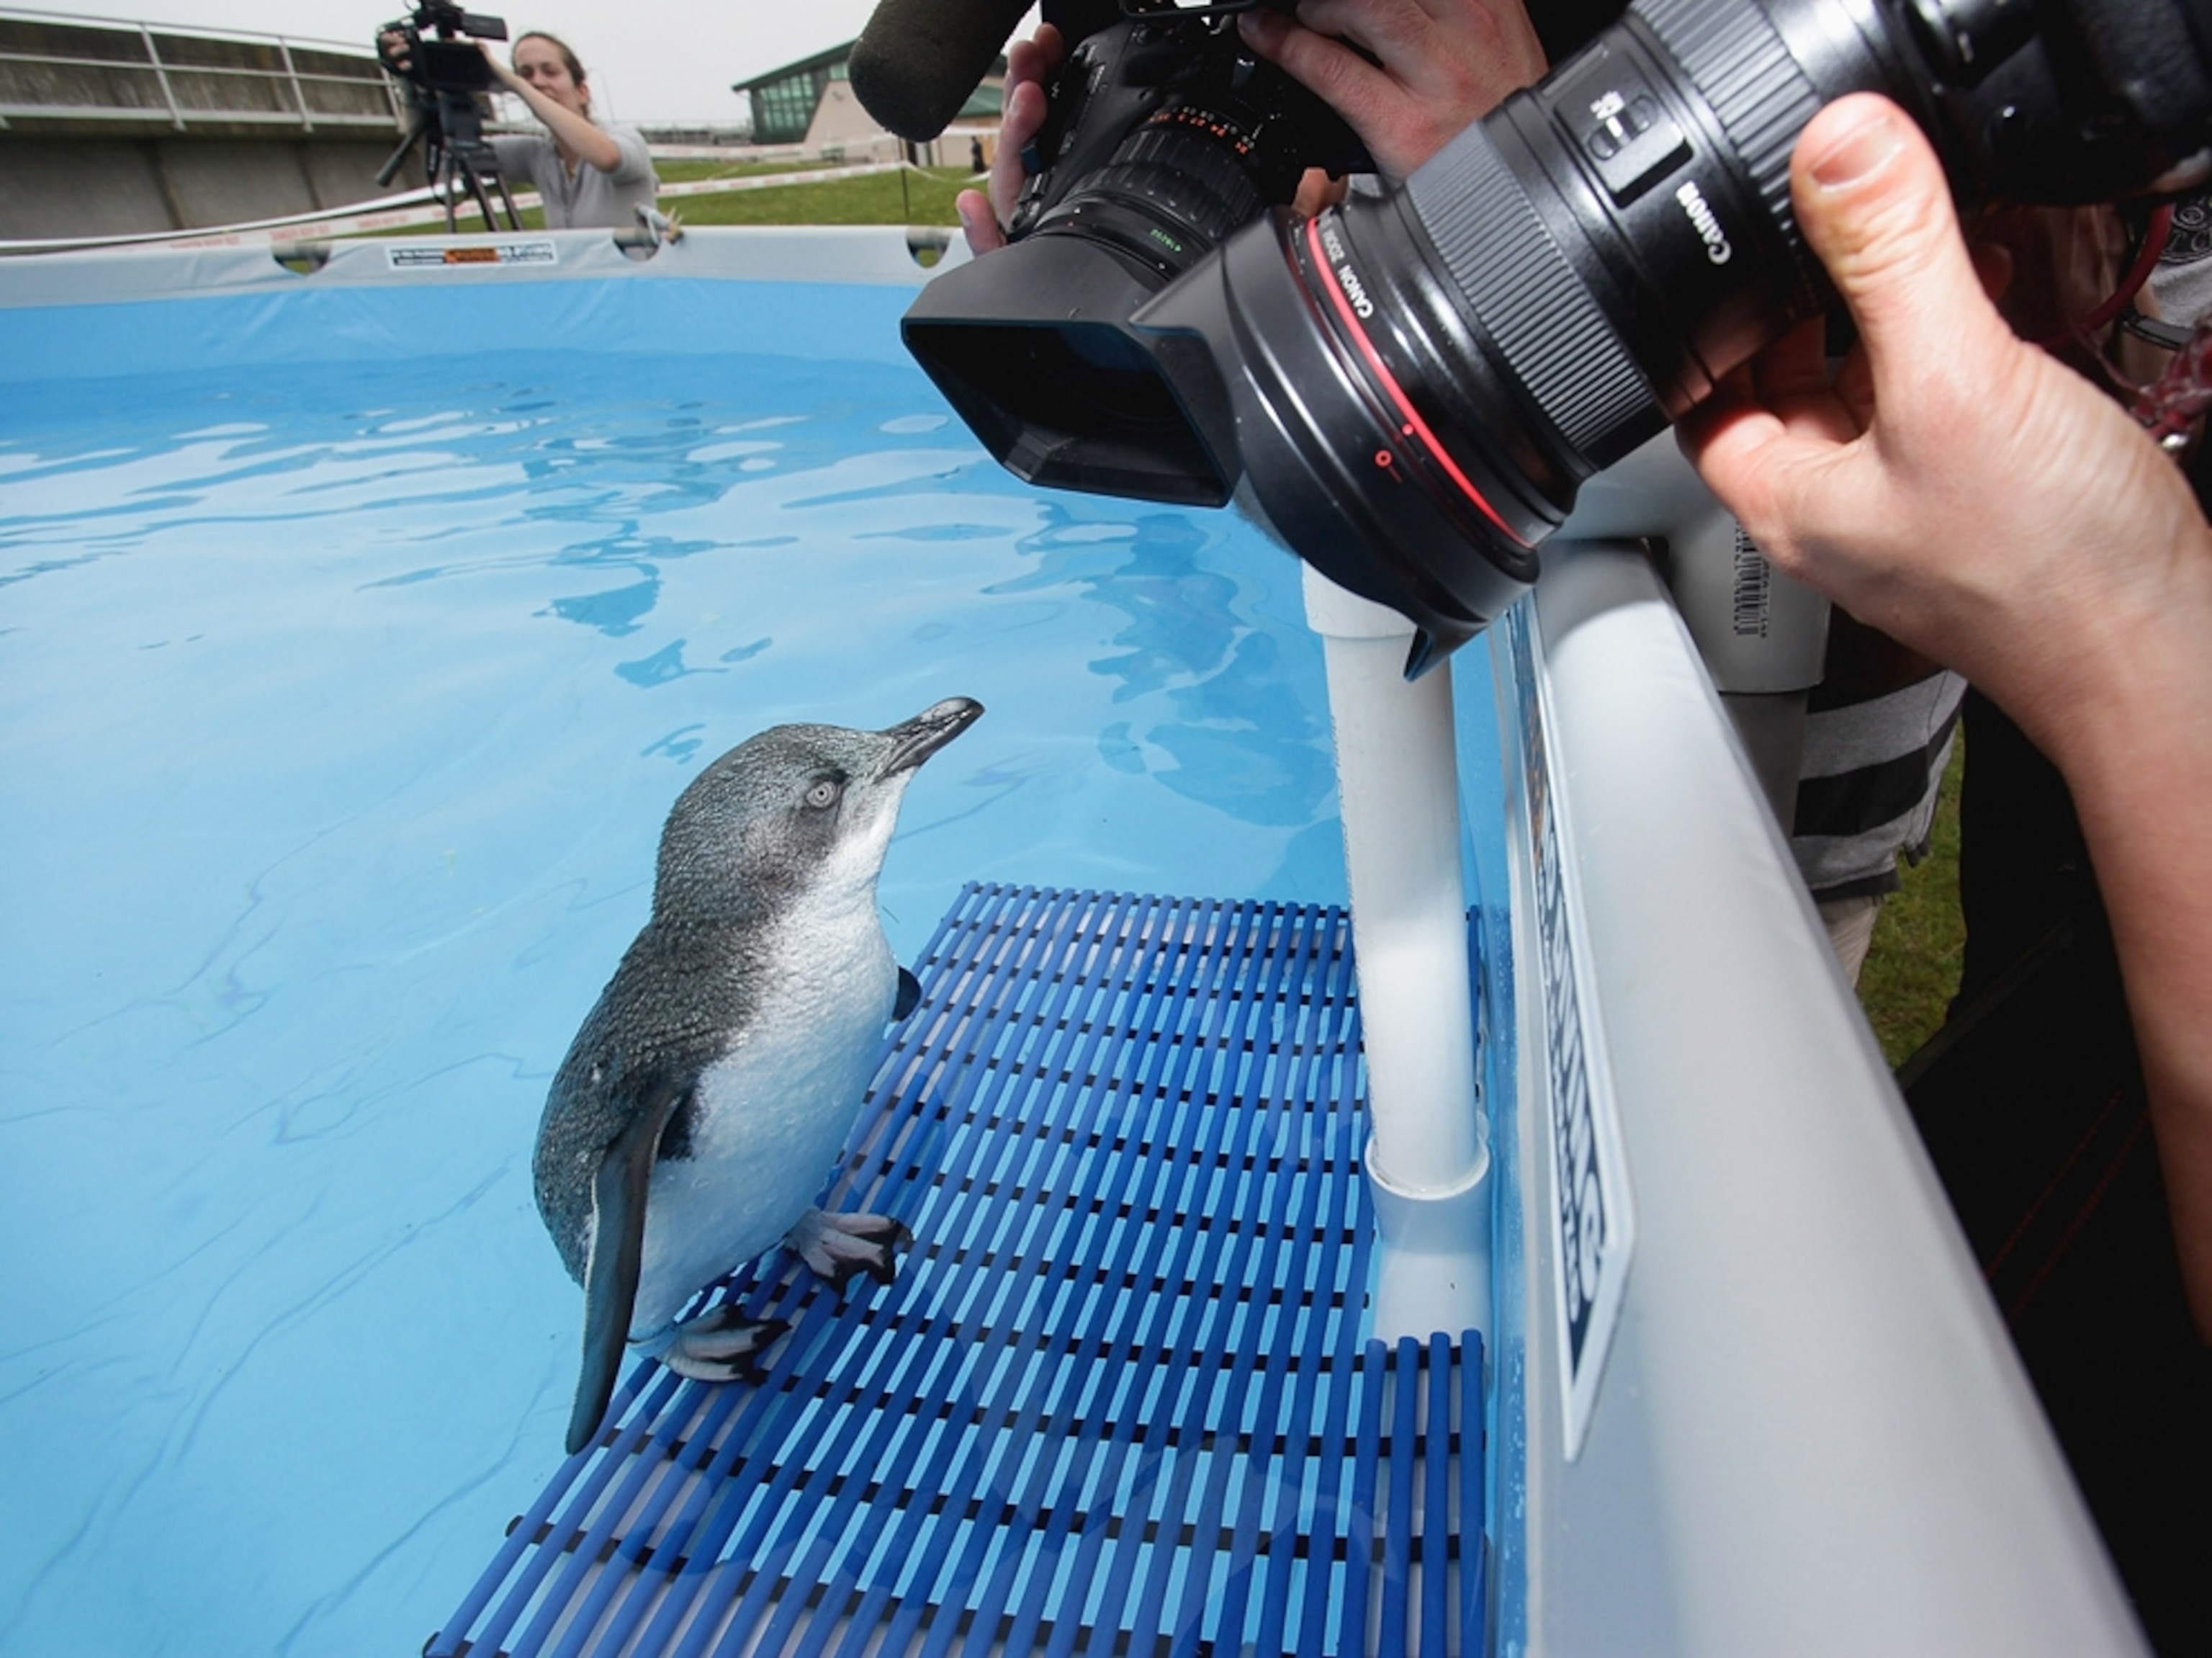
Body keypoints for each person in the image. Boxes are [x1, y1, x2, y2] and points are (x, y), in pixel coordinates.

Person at [478, 32, 657, 230]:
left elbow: (608, 158)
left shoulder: (626, 138)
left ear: (582, 92)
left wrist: (518, 84)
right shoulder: (539, 154)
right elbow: (464, 150)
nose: (537, 82)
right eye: (527, 74)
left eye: (550, 72)